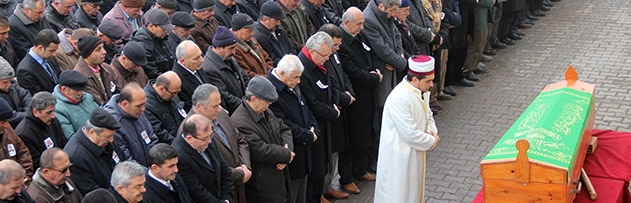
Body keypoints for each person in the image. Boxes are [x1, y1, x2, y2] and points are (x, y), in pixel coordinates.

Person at [374, 55, 441, 203]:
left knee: (411, 193)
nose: (431, 84)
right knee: (398, 194)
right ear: (415, 79)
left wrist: (432, 130)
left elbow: (427, 113)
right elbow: (410, 134)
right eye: (428, 81)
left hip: (413, 152)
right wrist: (432, 140)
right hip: (399, 157)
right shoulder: (400, 98)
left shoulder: (420, 91)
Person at [337, 7, 383, 198]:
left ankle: (362, 168)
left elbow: (370, 55)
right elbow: (352, 71)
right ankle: (347, 177)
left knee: (367, 131)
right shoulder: (343, 44)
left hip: (368, 94)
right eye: (359, 24)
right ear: (346, 23)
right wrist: (373, 77)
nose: (362, 28)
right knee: (353, 138)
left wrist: (375, 71)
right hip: (356, 98)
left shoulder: (359, 37)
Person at [231, 76, 294, 203]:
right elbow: (259, 150)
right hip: (263, 187)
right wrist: (285, 155)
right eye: (267, 102)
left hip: (278, 179)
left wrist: (288, 150)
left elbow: (284, 128)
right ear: (253, 99)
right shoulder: (240, 122)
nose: (269, 105)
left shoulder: (264, 110)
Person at [184, 84, 251, 203]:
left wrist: (245, 166)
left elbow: (240, 138)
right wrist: (239, 174)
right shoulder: (191, 132)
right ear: (199, 106)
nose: (219, 109)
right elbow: (209, 167)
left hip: (239, 188)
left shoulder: (221, 115)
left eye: (219, 104)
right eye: (214, 106)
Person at [267, 55, 319, 203]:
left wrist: (313, 127)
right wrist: (307, 135)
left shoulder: (292, 85)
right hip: (292, 151)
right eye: (295, 77)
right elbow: (282, 123)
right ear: (282, 73)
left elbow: (306, 109)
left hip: (304, 150)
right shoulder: (272, 91)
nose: (298, 81)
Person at [171, 114, 234, 203]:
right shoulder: (179, 156)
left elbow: (224, 170)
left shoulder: (207, 140)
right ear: (189, 138)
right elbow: (196, 190)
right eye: (205, 138)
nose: (210, 141)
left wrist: (227, 197)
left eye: (210, 136)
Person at [64, 108, 126, 195]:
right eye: (108, 137)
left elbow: (123, 161)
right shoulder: (75, 157)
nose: (112, 140)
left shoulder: (107, 140)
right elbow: (93, 193)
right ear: (92, 132)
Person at [103, 83, 158, 167]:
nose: (143, 109)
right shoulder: (114, 124)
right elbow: (126, 160)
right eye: (139, 106)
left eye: (144, 104)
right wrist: (149, 174)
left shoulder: (137, 111)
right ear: (125, 104)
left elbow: (152, 138)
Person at [202, 26, 250, 114]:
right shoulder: (209, 68)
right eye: (231, 48)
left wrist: (250, 97)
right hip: (235, 113)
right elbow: (224, 96)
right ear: (219, 48)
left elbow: (244, 77)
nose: (234, 52)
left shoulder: (229, 58)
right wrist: (247, 106)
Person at [15, 92, 67, 169]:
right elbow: (36, 163)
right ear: (36, 112)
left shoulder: (53, 121)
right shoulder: (24, 133)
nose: (53, 116)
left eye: (53, 111)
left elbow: (64, 143)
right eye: (48, 112)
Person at [130, 9, 175, 79]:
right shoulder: (143, 44)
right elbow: (151, 72)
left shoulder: (163, 38)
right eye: (163, 29)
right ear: (151, 27)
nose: (166, 31)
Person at [53, 70, 99, 139]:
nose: (80, 93)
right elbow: (71, 137)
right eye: (76, 90)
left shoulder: (87, 97)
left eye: (81, 89)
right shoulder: (57, 109)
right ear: (64, 89)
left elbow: (101, 116)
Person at [73, 35, 117, 105]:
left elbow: (119, 90)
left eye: (103, 47)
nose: (104, 52)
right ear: (88, 54)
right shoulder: (80, 77)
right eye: (98, 49)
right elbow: (98, 103)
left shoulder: (107, 68)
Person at [16, 29, 61, 95]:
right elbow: (37, 98)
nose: (54, 54)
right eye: (51, 51)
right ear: (40, 48)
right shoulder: (25, 71)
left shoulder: (49, 57)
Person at [144, 71, 185, 144]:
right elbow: (159, 132)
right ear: (161, 89)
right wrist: (180, 144)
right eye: (174, 93)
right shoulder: (147, 105)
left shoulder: (170, 92)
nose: (175, 96)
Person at [0, 98, 34, 184]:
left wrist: (24, 178)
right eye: (3, 122)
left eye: (8, 121)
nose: (7, 125)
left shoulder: (8, 131)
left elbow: (23, 155)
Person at [231, 13, 274, 78]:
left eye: (253, 30)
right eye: (249, 31)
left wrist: (271, 73)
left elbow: (267, 59)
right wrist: (267, 78)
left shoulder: (253, 41)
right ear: (236, 31)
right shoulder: (234, 49)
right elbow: (247, 73)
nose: (252, 34)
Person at [253, 2, 295, 66]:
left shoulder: (279, 29)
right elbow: (271, 59)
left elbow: (291, 46)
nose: (279, 23)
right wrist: (288, 64)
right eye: (276, 20)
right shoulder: (258, 37)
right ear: (265, 20)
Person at [172, 40, 208, 111]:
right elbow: (189, 107)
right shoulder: (178, 80)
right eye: (196, 58)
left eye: (201, 55)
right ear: (183, 61)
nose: (201, 60)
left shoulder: (196, 66)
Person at [0, 57, 31, 128]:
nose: (9, 85)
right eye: (5, 82)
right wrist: (29, 115)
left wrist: (28, 112)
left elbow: (26, 96)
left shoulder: (13, 86)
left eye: (10, 80)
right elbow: (8, 116)